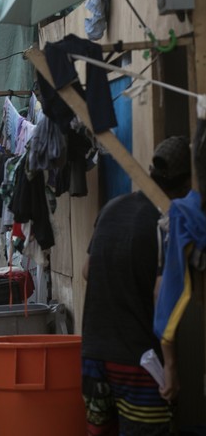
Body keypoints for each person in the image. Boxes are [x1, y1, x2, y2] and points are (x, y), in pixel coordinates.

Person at [81, 136, 191, 435]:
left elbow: (87, 270)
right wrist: (170, 367)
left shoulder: (113, 207)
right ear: (185, 187)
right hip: (137, 362)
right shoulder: (165, 223)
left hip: (93, 357)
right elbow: (161, 294)